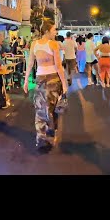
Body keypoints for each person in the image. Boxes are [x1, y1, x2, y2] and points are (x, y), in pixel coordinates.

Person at [23, 19, 67, 152]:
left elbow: (29, 63)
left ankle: (42, 137)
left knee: (41, 108)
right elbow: (59, 67)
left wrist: (26, 80)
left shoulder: (34, 44)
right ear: (47, 31)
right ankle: (49, 134)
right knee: (52, 109)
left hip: (40, 79)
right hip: (53, 79)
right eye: (54, 30)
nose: (56, 32)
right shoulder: (53, 44)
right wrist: (64, 84)